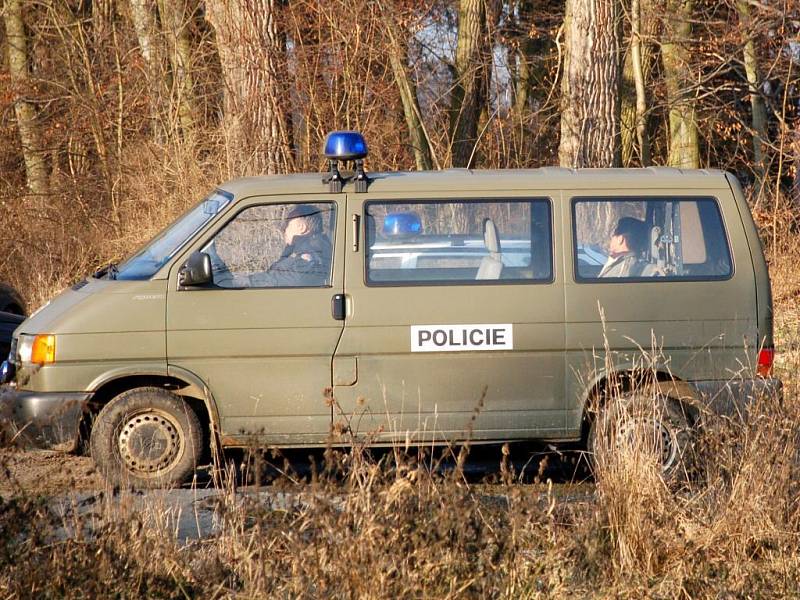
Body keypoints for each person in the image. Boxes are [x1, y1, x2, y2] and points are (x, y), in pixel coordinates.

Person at [248, 204, 332, 287]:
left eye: (288, 224)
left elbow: (284, 279)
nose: (284, 229)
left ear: (301, 227)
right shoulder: (313, 249)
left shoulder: (310, 254)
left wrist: (247, 282)